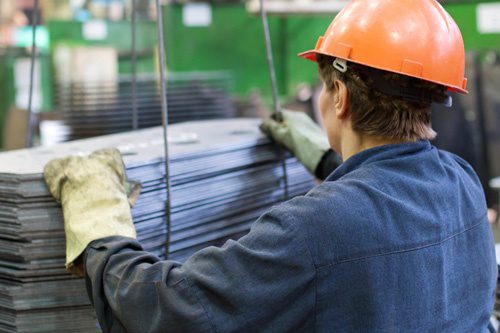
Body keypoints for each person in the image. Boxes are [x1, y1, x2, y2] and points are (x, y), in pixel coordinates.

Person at [43, 0, 497, 332]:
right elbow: (387, 212)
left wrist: (101, 231)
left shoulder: (315, 227)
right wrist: (323, 158)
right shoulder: (462, 181)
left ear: (338, 97)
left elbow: (172, 308)